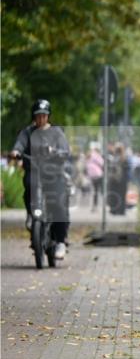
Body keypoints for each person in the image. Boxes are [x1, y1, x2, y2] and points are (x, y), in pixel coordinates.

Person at [10, 99, 72, 259]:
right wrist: (16, 151)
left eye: (44, 116)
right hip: (34, 172)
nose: (41, 119)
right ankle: (31, 214)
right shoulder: (27, 132)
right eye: (38, 116)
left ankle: (60, 241)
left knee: (59, 204)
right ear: (34, 117)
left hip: (54, 175)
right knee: (29, 187)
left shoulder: (57, 132)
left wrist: (58, 152)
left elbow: (65, 149)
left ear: (48, 116)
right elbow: (19, 144)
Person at [85, 144, 104, 211]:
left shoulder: (88, 155)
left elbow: (86, 165)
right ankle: (96, 205)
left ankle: (92, 206)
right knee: (98, 190)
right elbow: (102, 163)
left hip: (91, 175)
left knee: (93, 191)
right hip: (98, 174)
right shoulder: (97, 155)